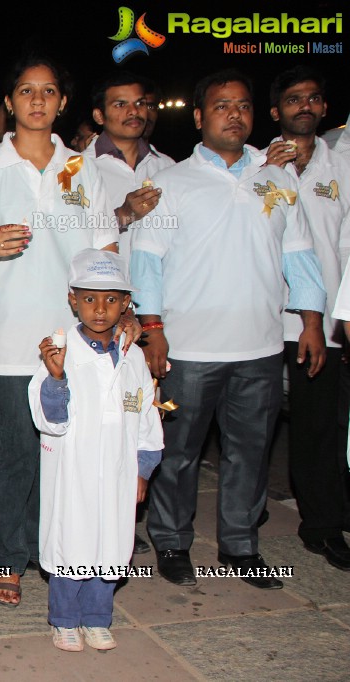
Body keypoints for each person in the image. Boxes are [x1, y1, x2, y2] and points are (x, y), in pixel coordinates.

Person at [131, 69, 327, 590]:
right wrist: (153, 328)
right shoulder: (169, 183)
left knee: (251, 450)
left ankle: (241, 545)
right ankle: (171, 541)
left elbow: (300, 254)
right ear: (199, 117)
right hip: (189, 349)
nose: (233, 114)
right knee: (178, 452)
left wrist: (311, 320)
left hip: (260, 344)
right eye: (221, 106)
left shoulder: (277, 177)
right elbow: (147, 260)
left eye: (242, 105)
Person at [0, 55, 124, 607]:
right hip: (7, 337)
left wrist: (121, 316)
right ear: (9, 101)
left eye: (48, 91)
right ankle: (8, 559)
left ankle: (59, 551)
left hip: (74, 338)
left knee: (69, 452)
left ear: (62, 102)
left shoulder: (82, 168)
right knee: (18, 456)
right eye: (25, 90)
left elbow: (106, 249)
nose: (37, 100)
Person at [29, 249, 162, 652]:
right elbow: (48, 417)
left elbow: (145, 414)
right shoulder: (60, 349)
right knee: (73, 537)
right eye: (89, 299)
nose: (99, 309)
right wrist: (55, 379)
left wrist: (142, 468)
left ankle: (98, 617)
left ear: (126, 304)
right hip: (75, 465)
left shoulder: (133, 356)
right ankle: (65, 618)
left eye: (110, 299)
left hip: (119, 467)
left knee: (111, 538)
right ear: (73, 299)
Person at [267, 66, 350, 571]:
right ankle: (244, 517)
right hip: (258, 318)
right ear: (276, 112)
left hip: (322, 321)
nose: (305, 106)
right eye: (294, 99)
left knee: (320, 424)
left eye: (314, 98)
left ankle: (321, 523)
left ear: (323, 108)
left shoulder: (341, 167)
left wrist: (342, 312)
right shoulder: (256, 166)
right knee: (252, 428)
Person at [84, 72, 175, 264]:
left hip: (159, 287)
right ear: (99, 116)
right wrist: (123, 215)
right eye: (120, 104)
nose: (134, 111)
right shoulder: (79, 167)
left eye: (140, 103)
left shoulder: (166, 166)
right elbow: (66, 232)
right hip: (104, 288)